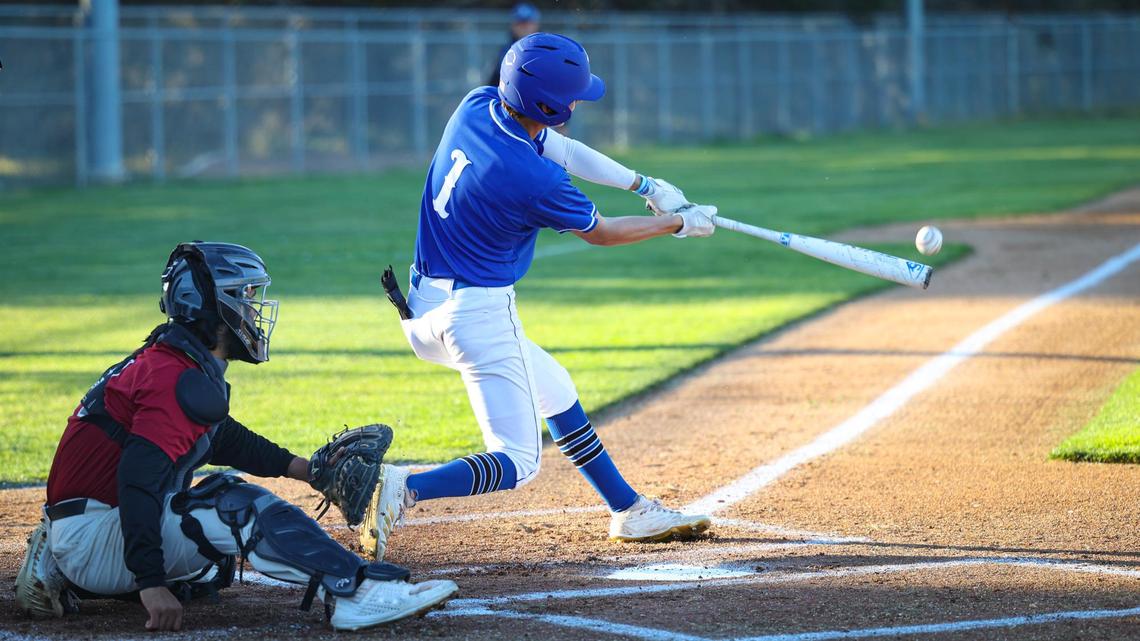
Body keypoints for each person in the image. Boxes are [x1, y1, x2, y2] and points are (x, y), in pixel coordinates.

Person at [363, 32, 719, 561]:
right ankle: (404, 488)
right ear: (552, 105)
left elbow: (564, 148)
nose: (578, 103)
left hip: (422, 307)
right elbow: (600, 232)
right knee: (518, 461)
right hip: (477, 316)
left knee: (555, 388)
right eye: (572, 97)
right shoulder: (532, 179)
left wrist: (645, 184)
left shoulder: (477, 105)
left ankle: (628, 510)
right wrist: (676, 225)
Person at [15, 241, 457, 632]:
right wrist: (150, 584)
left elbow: (221, 438)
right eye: (244, 296)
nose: (253, 308)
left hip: (86, 522)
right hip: (95, 532)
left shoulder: (170, 364)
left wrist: (305, 470)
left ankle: (59, 565)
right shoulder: (172, 376)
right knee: (230, 504)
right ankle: (354, 593)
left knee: (212, 565)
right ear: (211, 306)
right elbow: (136, 480)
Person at [486, 3, 541, 87]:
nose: (524, 27)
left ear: (536, 24)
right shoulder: (506, 51)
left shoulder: (546, 48)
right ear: (513, 25)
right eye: (520, 24)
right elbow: (494, 81)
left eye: (528, 23)